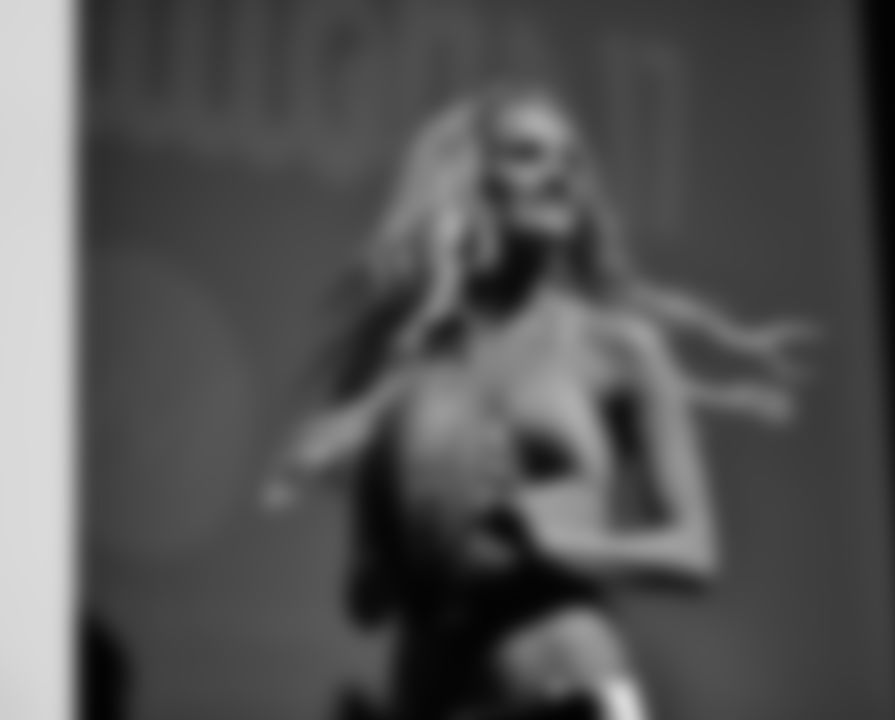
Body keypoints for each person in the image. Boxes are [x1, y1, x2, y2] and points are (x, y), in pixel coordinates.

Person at [263, 82, 817, 720]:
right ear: (475, 182)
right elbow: (365, 603)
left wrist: (560, 548)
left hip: (574, 694)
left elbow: (696, 553)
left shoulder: (617, 348)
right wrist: (422, 540)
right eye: (528, 155)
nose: (560, 175)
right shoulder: (407, 364)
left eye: (572, 161)